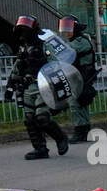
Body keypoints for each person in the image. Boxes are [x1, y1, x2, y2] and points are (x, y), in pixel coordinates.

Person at [5, 15, 68, 160]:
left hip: (42, 86)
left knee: (42, 117)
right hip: (26, 88)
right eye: (21, 30)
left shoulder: (44, 46)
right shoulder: (22, 49)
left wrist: (55, 85)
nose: (24, 34)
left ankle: (60, 138)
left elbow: (54, 64)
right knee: (29, 119)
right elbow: (16, 69)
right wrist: (9, 88)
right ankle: (40, 149)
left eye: (26, 30)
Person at [57, 15, 98, 143]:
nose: (66, 32)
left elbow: (66, 52)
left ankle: (80, 132)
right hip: (77, 77)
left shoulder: (81, 41)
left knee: (75, 103)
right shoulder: (74, 41)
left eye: (69, 29)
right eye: (65, 29)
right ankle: (84, 131)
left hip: (82, 77)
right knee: (81, 103)